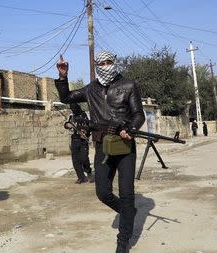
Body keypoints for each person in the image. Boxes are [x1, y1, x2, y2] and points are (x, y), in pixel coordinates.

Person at [55, 52, 145, 253]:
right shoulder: (91, 89)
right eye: (101, 63)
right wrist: (63, 77)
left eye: (108, 62)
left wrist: (130, 128)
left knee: (127, 193)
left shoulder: (129, 85)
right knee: (103, 192)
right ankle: (128, 212)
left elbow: (138, 114)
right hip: (102, 145)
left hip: (124, 147)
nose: (105, 66)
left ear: (114, 63)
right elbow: (67, 97)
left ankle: (123, 242)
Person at [64, 103, 94, 184]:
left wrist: (85, 131)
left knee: (84, 158)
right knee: (75, 160)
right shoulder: (71, 116)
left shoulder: (85, 114)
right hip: (74, 140)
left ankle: (89, 173)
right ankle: (81, 177)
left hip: (83, 141)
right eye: (72, 109)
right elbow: (66, 124)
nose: (73, 110)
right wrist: (67, 125)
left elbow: (91, 125)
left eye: (74, 109)